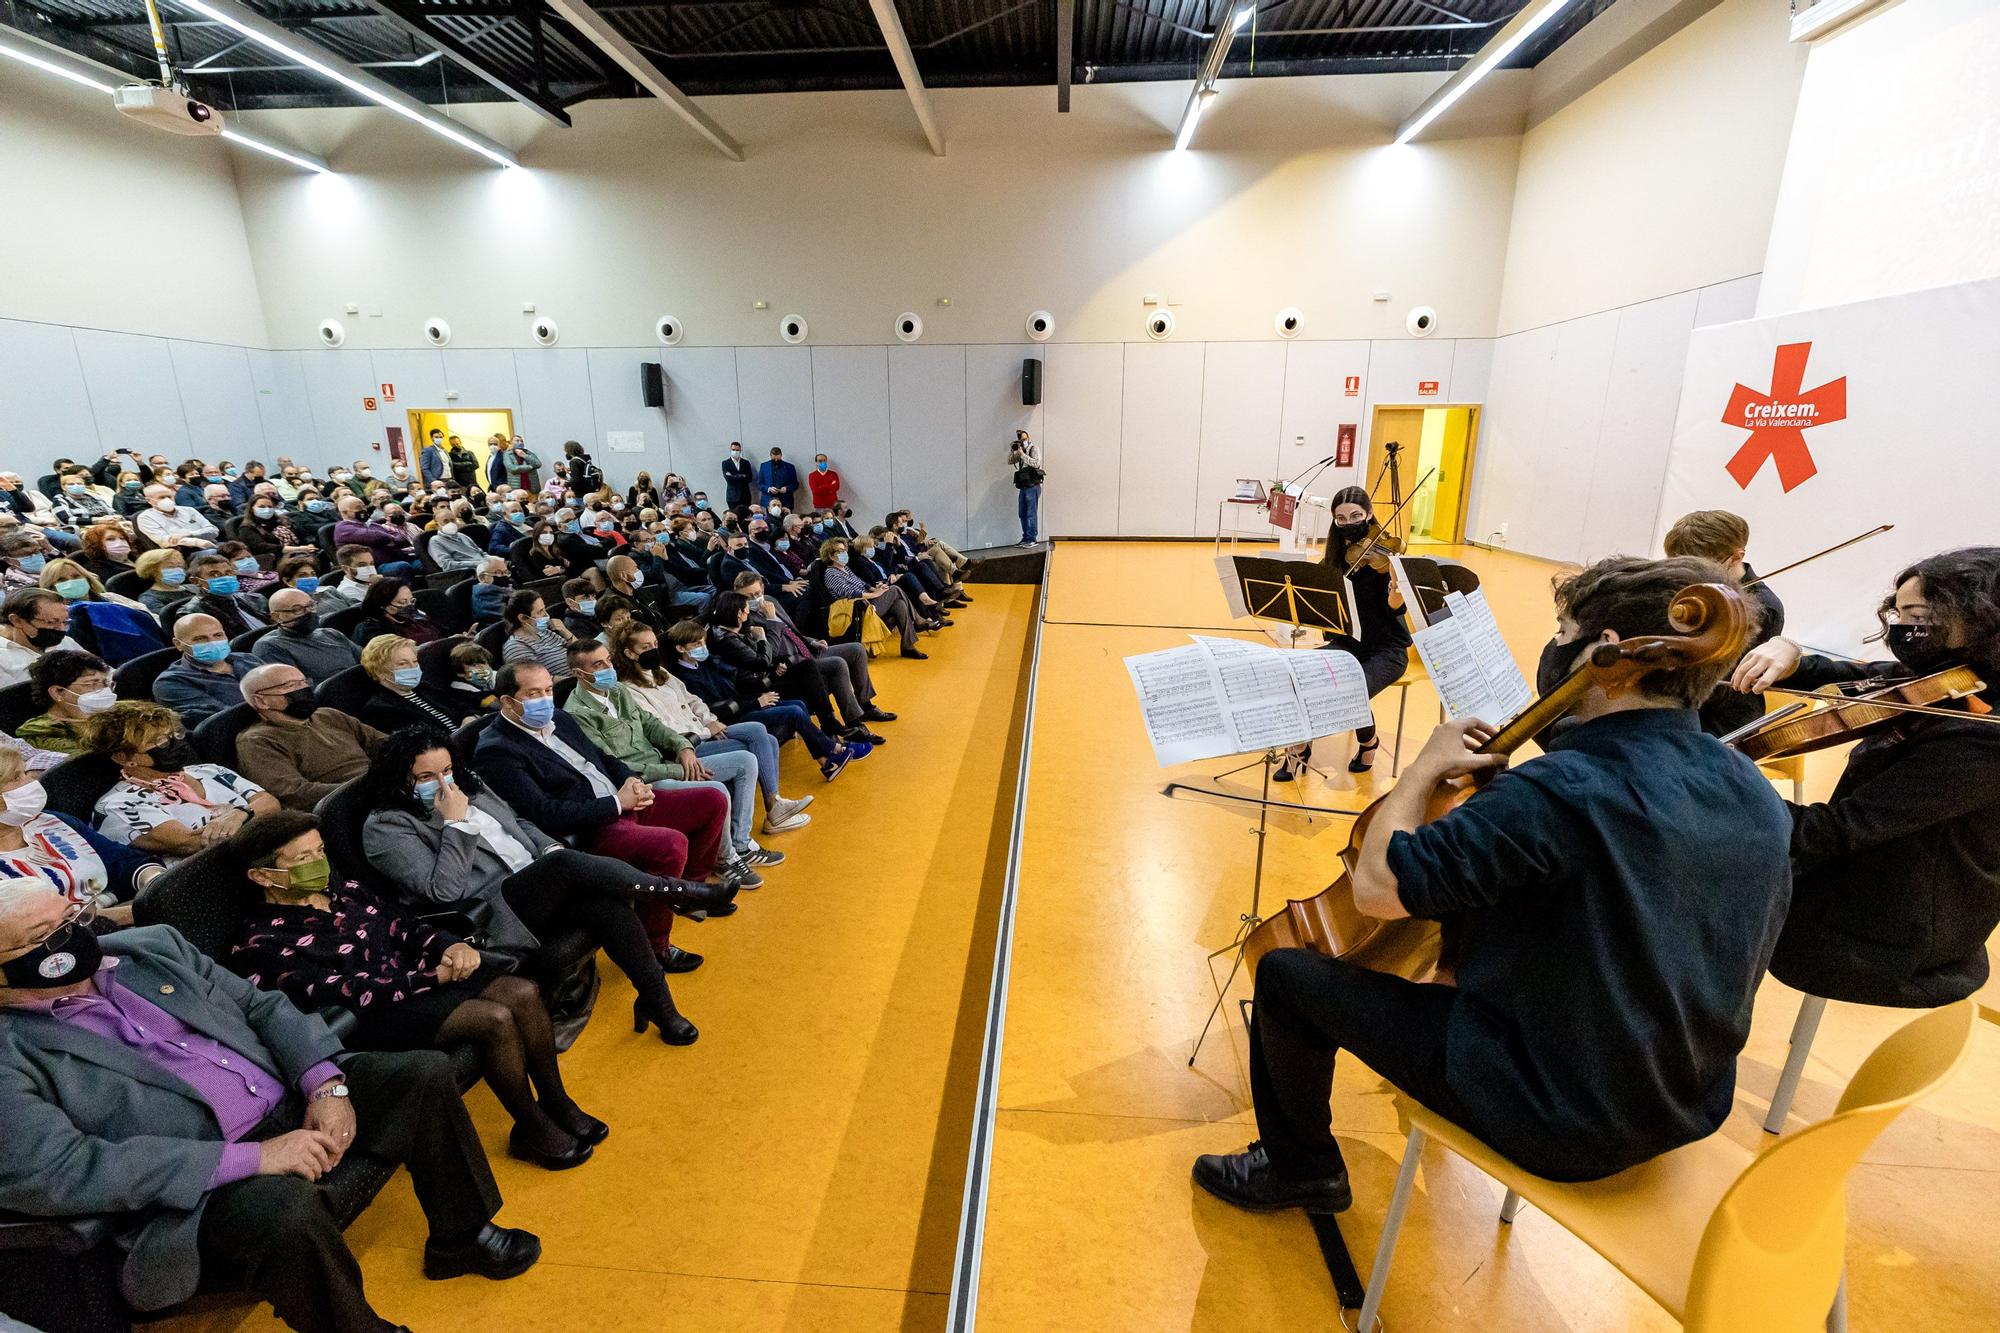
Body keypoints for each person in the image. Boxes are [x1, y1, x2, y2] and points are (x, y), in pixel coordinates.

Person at [1192, 555, 1793, 1214]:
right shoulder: (1752, 789)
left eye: (1565, 633)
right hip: (1684, 1102)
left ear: (1609, 654)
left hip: (1558, 1117)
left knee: (1286, 975)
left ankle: (1298, 1168)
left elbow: (1376, 889)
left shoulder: (1558, 789)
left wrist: (1422, 769)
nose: (1555, 649)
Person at [0, 881, 543, 1332]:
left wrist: (324, 1084)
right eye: (43, 936)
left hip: (285, 1095)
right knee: (283, 1210)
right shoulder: (10, 1050)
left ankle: (461, 1236)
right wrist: (254, 1160)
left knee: (419, 1073)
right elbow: (59, 1170)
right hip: (195, 1184)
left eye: (73, 916)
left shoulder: (152, 947)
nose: (74, 935)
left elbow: (263, 1006)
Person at [225, 811, 603, 1169]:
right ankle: (531, 1126)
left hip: (414, 981)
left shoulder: (343, 890)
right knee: (495, 1018)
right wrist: (431, 978)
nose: (319, 863)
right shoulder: (261, 941)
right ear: (262, 876)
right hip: (369, 1017)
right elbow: (346, 991)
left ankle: (556, 1101)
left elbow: (402, 925)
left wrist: (448, 945)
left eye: (320, 851)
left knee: (522, 992)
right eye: (303, 858)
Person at [1729, 545, 2000, 1007]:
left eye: (1915, 614)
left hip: (1883, 933)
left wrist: (1717, 789)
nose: (1899, 627)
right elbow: (1865, 676)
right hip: (1873, 874)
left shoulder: (1982, 733)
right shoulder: (1957, 678)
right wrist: (1791, 653)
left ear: (1977, 619)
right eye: (1896, 612)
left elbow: (1836, 830)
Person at [362, 727, 705, 1041]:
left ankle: (659, 1004)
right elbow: (444, 892)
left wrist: (548, 847)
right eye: (426, 776)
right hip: (491, 912)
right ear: (402, 779)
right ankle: (678, 892)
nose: (443, 783)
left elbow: (518, 821)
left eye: (446, 770)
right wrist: (454, 824)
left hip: (540, 884)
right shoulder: (386, 826)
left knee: (608, 908)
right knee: (563, 864)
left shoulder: (469, 784)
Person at [475, 663, 737, 967]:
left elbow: (605, 758)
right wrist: (616, 803)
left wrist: (631, 781)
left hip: (623, 800)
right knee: (670, 844)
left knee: (713, 800)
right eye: (534, 694)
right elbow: (545, 814)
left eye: (548, 690)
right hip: (591, 826)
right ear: (508, 701)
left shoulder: (560, 718)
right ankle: (655, 947)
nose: (546, 700)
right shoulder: (496, 750)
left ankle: (691, 895)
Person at [563, 639, 774, 884]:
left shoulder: (618, 691)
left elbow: (651, 724)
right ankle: (724, 859)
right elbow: (614, 763)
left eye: (608, 660)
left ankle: (741, 844)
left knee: (745, 761)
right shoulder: (577, 713)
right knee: (716, 790)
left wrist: (682, 747)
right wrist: (676, 770)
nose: (608, 668)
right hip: (642, 782)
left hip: (663, 762)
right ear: (579, 673)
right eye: (598, 665)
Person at [609, 622, 813, 837]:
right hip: (687, 745)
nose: (653, 650)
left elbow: (693, 700)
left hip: (702, 729)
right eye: (645, 647)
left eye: (655, 644)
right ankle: (762, 817)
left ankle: (774, 803)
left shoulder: (661, 672)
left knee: (760, 732)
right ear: (630, 653)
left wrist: (709, 721)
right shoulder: (629, 689)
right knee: (754, 748)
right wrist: (707, 731)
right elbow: (661, 727)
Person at [1275, 486, 1415, 780]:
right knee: (1299, 675)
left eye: (1356, 516)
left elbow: (1397, 613)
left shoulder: (1387, 559)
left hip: (1386, 649)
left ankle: (1369, 742)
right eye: (1341, 519)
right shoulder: (1336, 558)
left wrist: (1395, 599)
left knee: (1350, 689)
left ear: (1369, 515)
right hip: (1347, 644)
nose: (1350, 523)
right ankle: (1300, 746)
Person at [664, 618, 862, 782]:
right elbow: (713, 709)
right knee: (793, 712)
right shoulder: (685, 678)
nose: (702, 647)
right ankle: (833, 750)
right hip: (732, 717)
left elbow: (737, 681)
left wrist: (763, 686)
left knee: (798, 704)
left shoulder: (707, 662)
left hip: (744, 702)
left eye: (703, 642)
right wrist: (756, 703)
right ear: (681, 648)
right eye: (696, 644)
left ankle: (825, 762)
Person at [88, 701, 280, 861]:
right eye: (160, 742)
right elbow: (191, 843)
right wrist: (253, 813)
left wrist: (241, 813)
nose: (176, 743)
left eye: (176, 734)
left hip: (263, 852)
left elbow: (270, 802)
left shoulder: (209, 770)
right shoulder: (119, 805)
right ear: (123, 758)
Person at [0, 744, 162, 922]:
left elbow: (125, 861)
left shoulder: (50, 821)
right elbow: (41, 928)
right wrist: (140, 912)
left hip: (129, 909)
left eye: (25, 773)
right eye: (16, 777)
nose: (31, 782)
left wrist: (158, 884)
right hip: (78, 940)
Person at [1662, 508, 1786, 738]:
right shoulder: (1687, 586)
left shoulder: (1764, 606)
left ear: (1737, 557)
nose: (1688, 575)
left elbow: (1720, 678)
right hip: (1677, 708)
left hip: (1720, 720)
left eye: (1700, 566)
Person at [235, 664, 383, 810]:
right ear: (261, 701)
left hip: (382, 786)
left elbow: (385, 744)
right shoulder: (257, 741)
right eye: (290, 686)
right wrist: (367, 788)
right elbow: (295, 794)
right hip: (349, 804)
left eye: (304, 682)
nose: (303, 689)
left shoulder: (328, 715)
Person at [818, 537, 925, 659]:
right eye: (840, 552)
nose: (844, 554)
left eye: (844, 551)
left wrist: (876, 589)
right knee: (894, 589)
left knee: (899, 604)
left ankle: (908, 647)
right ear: (831, 556)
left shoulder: (845, 569)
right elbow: (848, 593)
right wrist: (875, 594)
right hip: (858, 609)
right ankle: (918, 621)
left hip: (868, 602)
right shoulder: (831, 573)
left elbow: (863, 583)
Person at [154, 614, 259, 725]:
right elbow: (228, 719)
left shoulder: (248, 659)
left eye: (218, 635)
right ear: (178, 644)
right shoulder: (171, 683)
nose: (212, 642)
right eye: (200, 639)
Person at [357, 634, 469, 732]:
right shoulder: (379, 709)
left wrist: (468, 717)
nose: (413, 667)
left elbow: (460, 704)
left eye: (415, 661)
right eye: (402, 664)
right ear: (380, 671)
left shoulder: (424, 687)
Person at [252, 587, 363, 682]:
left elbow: (367, 660)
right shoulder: (269, 646)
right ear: (277, 617)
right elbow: (296, 689)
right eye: (297, 609)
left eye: (311, 606)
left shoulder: (331, 633)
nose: (309, 612)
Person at [18, 649, 116, 754]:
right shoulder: (38, 732)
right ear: (57, 692)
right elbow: (96, 757)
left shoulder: (113, 712)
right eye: (91, 684)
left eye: (105, 682)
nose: (103, 690)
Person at [0, 588, 85, 688]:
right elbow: (14, 700)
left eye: (65, 622)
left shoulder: (66, 642)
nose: (61, 629)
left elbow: (104, 673)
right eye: (51, 622)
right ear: (17, 621)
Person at [182, 550, 268, 638]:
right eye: (215, 574)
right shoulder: (193, 613)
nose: (225, 577)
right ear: (196, 581)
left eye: (228, 573)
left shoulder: (256, 599)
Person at [500, 590, 577, 679]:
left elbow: (581, 652)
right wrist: (578, 680)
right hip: (564, 687)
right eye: (540, 611)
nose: (546, 614)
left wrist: (566, 633)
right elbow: (534, 680)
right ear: (523, 618)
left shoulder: (546, 633)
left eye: (544, 609)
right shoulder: (516, 646)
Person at [350, 576, 441, 647]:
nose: (409, 606)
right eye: (402, 602)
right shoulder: (370, 630)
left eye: (411, 601)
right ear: (383, 605)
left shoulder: (417, 617)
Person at [135, 482, 218, 550]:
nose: (167, 500)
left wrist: (188, 534)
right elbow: (165, 541)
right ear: (149, 500)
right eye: (162, 497)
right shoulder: (145, 518)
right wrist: (196, 541)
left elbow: (213, 530)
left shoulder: (189, 510)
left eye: (169, 497)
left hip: (212, 544)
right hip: (185, 552)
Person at [315, 544, 379, 613]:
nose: (370, 568)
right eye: (362, 565)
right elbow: (371, 613)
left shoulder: (370, 582)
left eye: (371, 564)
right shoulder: (347, 591)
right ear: (345, 568)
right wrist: (378, 587)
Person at [1009, 430, 1043, 546]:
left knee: (1031, 513)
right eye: (1020, 440)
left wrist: (1023, 455)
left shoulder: (1034, 448)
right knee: (1022, 513)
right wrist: (1014, 451)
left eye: (1024, 439)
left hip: (1033, 485)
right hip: (1023, 486)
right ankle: (1025, 538)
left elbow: (1036, 464)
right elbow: (1009, 461)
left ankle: (1032, 538)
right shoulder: (1019, 450)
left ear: (1028, 438)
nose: (1022, 442)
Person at [136, 547, 193, 615]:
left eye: (179, 566)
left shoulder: (193, 587)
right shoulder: (149, 598)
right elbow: (169, 622)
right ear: (152, 571)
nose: (177, 570)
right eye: (170, 567)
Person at [470, 555, 513, 621]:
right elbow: (514, 616)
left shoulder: (502, 589)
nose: (504, 576)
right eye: (498, 572)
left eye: (506, 572)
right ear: (482, 578)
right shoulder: (484, 599)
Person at [756, 447, 799, 511]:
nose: (776, 460)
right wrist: (768, 489)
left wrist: (787, 488)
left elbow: (795, 484)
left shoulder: (790, 467)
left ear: (781, 456)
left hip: (786, 501)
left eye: (777, 458)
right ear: (770, 456)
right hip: (769, 501)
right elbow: (759, 484)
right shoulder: (764, 466)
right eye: (774, 458)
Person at [721, 440, 754, 513]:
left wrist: (734, 476)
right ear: (730, 450)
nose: (735, 452)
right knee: (734, 516)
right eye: (733, 450)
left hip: (745, 496)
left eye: (737, 450)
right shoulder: (725, 463)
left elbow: (749, 478)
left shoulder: (746, 463)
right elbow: (729, 479)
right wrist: (742, 475)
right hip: (732, 497)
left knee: (746, 518)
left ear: (740, 450)